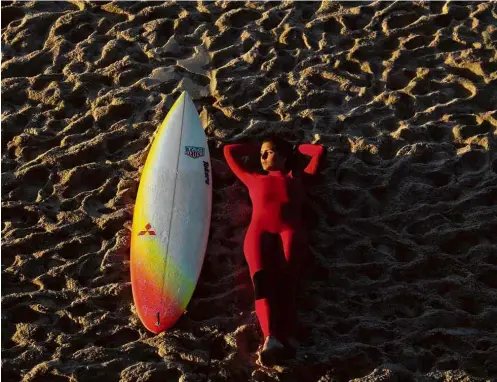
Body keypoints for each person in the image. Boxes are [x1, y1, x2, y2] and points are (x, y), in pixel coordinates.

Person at [223, 134, 325, 366]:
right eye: (261, 153)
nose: (262, 156)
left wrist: (297, 147)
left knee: (287, 285)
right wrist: (257, 146)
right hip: (259, 233)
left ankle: (286, 337)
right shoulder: (253, 177)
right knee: (262, 283)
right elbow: (229, 151)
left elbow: (318, 152)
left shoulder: (298, 177)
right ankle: (271, 339)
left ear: (284, 155)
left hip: (291, 232)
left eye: (269, 152)